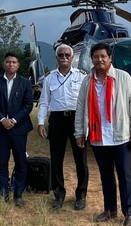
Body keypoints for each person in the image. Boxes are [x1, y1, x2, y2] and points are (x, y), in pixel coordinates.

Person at [74, 42, 131, 226]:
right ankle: (110, 209)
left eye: (103, 56)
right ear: (92, 59)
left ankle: (129, 213)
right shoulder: (87, 81)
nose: (100, 60)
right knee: (106, 175)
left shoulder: (123, 77)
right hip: (99, 137)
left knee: (124, 175)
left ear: (110, 58)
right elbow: (80, 107)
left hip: (120, 136)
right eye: (96, 57)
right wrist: (79, 132)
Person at [37, 44, 89, 210]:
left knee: (80, 159)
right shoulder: (49, 78)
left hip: (76, 118)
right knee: (56, 158)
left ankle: (81, 194)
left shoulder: (82, 77)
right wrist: (40, 122)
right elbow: (44, 102)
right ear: (56, 58)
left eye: (67, 55)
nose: (64, 57)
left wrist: (86, 124)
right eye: (61, 55)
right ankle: (59, 193)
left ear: (72, 58)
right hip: (57, 119)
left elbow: (87, 102)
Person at [0, 52, 34, 207]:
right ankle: (2, 194)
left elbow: (28, 105)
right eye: (8, 62)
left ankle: (18, 194)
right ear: (3, 64)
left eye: (14, 62)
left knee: (21, 163)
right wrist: (2, 119)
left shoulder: (25, 83)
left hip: (19, 129)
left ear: (18, 65)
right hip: (0, 129)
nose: (11, 64)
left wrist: (13, 120)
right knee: (2, 163)